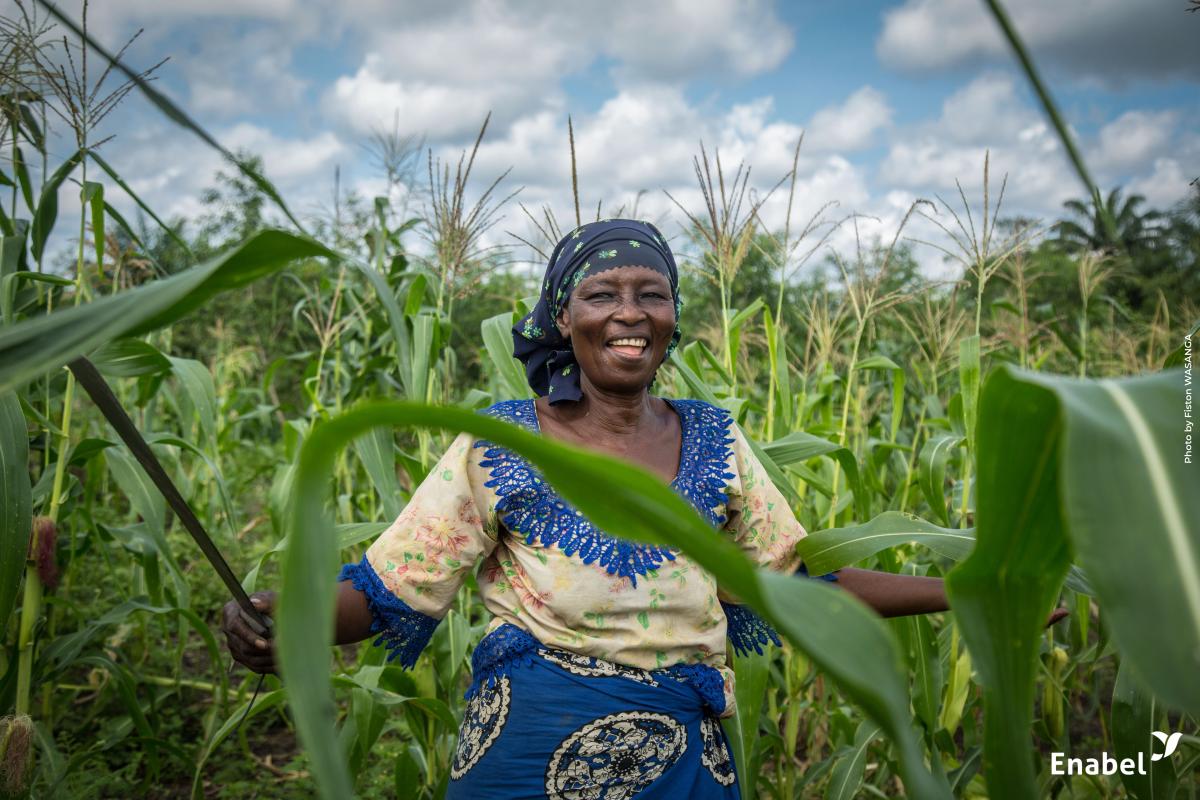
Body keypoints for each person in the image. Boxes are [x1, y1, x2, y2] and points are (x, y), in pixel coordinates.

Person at [221, 218, 1060, 798]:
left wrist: (980, 589)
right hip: (528, 752)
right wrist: (286, 618)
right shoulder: (496, 443)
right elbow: (387, 591)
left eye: (650, 294)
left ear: (673, 319)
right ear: (563, 317)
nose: (629, 313)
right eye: (602, 294)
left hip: (688, 765)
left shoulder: (716, 442)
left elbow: (802, 584)